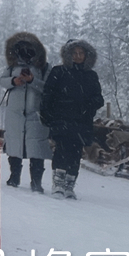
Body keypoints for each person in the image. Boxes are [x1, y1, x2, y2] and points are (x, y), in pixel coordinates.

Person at [39, 39, 104, 200]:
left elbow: (98, 98)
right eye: (74, 53)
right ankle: (58, 184)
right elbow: (47, 95)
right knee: (61, 150)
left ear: (87, 55)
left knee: (75, 153)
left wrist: (88, 106)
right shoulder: (58, 72)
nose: (77, 56)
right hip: (61, 119)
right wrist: (47, 115)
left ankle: (70, 185)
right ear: (68, 55)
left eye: (81, 53)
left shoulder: (90, 75)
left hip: (82, 122)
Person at [0, 32, 50, 192]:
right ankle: (14, 177)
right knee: (14, 144)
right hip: (15, 113)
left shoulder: (44, 68)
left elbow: (48, 88)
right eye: (23, 49)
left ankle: (36, 182)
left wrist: (32, 81)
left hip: (36, 114)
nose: (26, 52)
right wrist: (14, 81)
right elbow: (2, 81)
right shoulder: (12, 67)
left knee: (37, 147)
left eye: (30, 49)